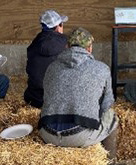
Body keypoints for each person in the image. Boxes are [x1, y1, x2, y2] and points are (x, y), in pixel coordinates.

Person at [38, 28, 118, 161]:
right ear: (90, 48)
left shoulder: (51, 67)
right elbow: (107, 104)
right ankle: (109, 161)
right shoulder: (101, 68)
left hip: (47, 133)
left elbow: (45, 98)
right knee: (112, 117)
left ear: (67, 46)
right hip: (79, 135)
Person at [24, 10, 68, 108]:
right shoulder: (65, 43)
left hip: (34, 98)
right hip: (57, 100)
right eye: (61, 24)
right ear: (58, 27)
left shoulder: (35, 43)